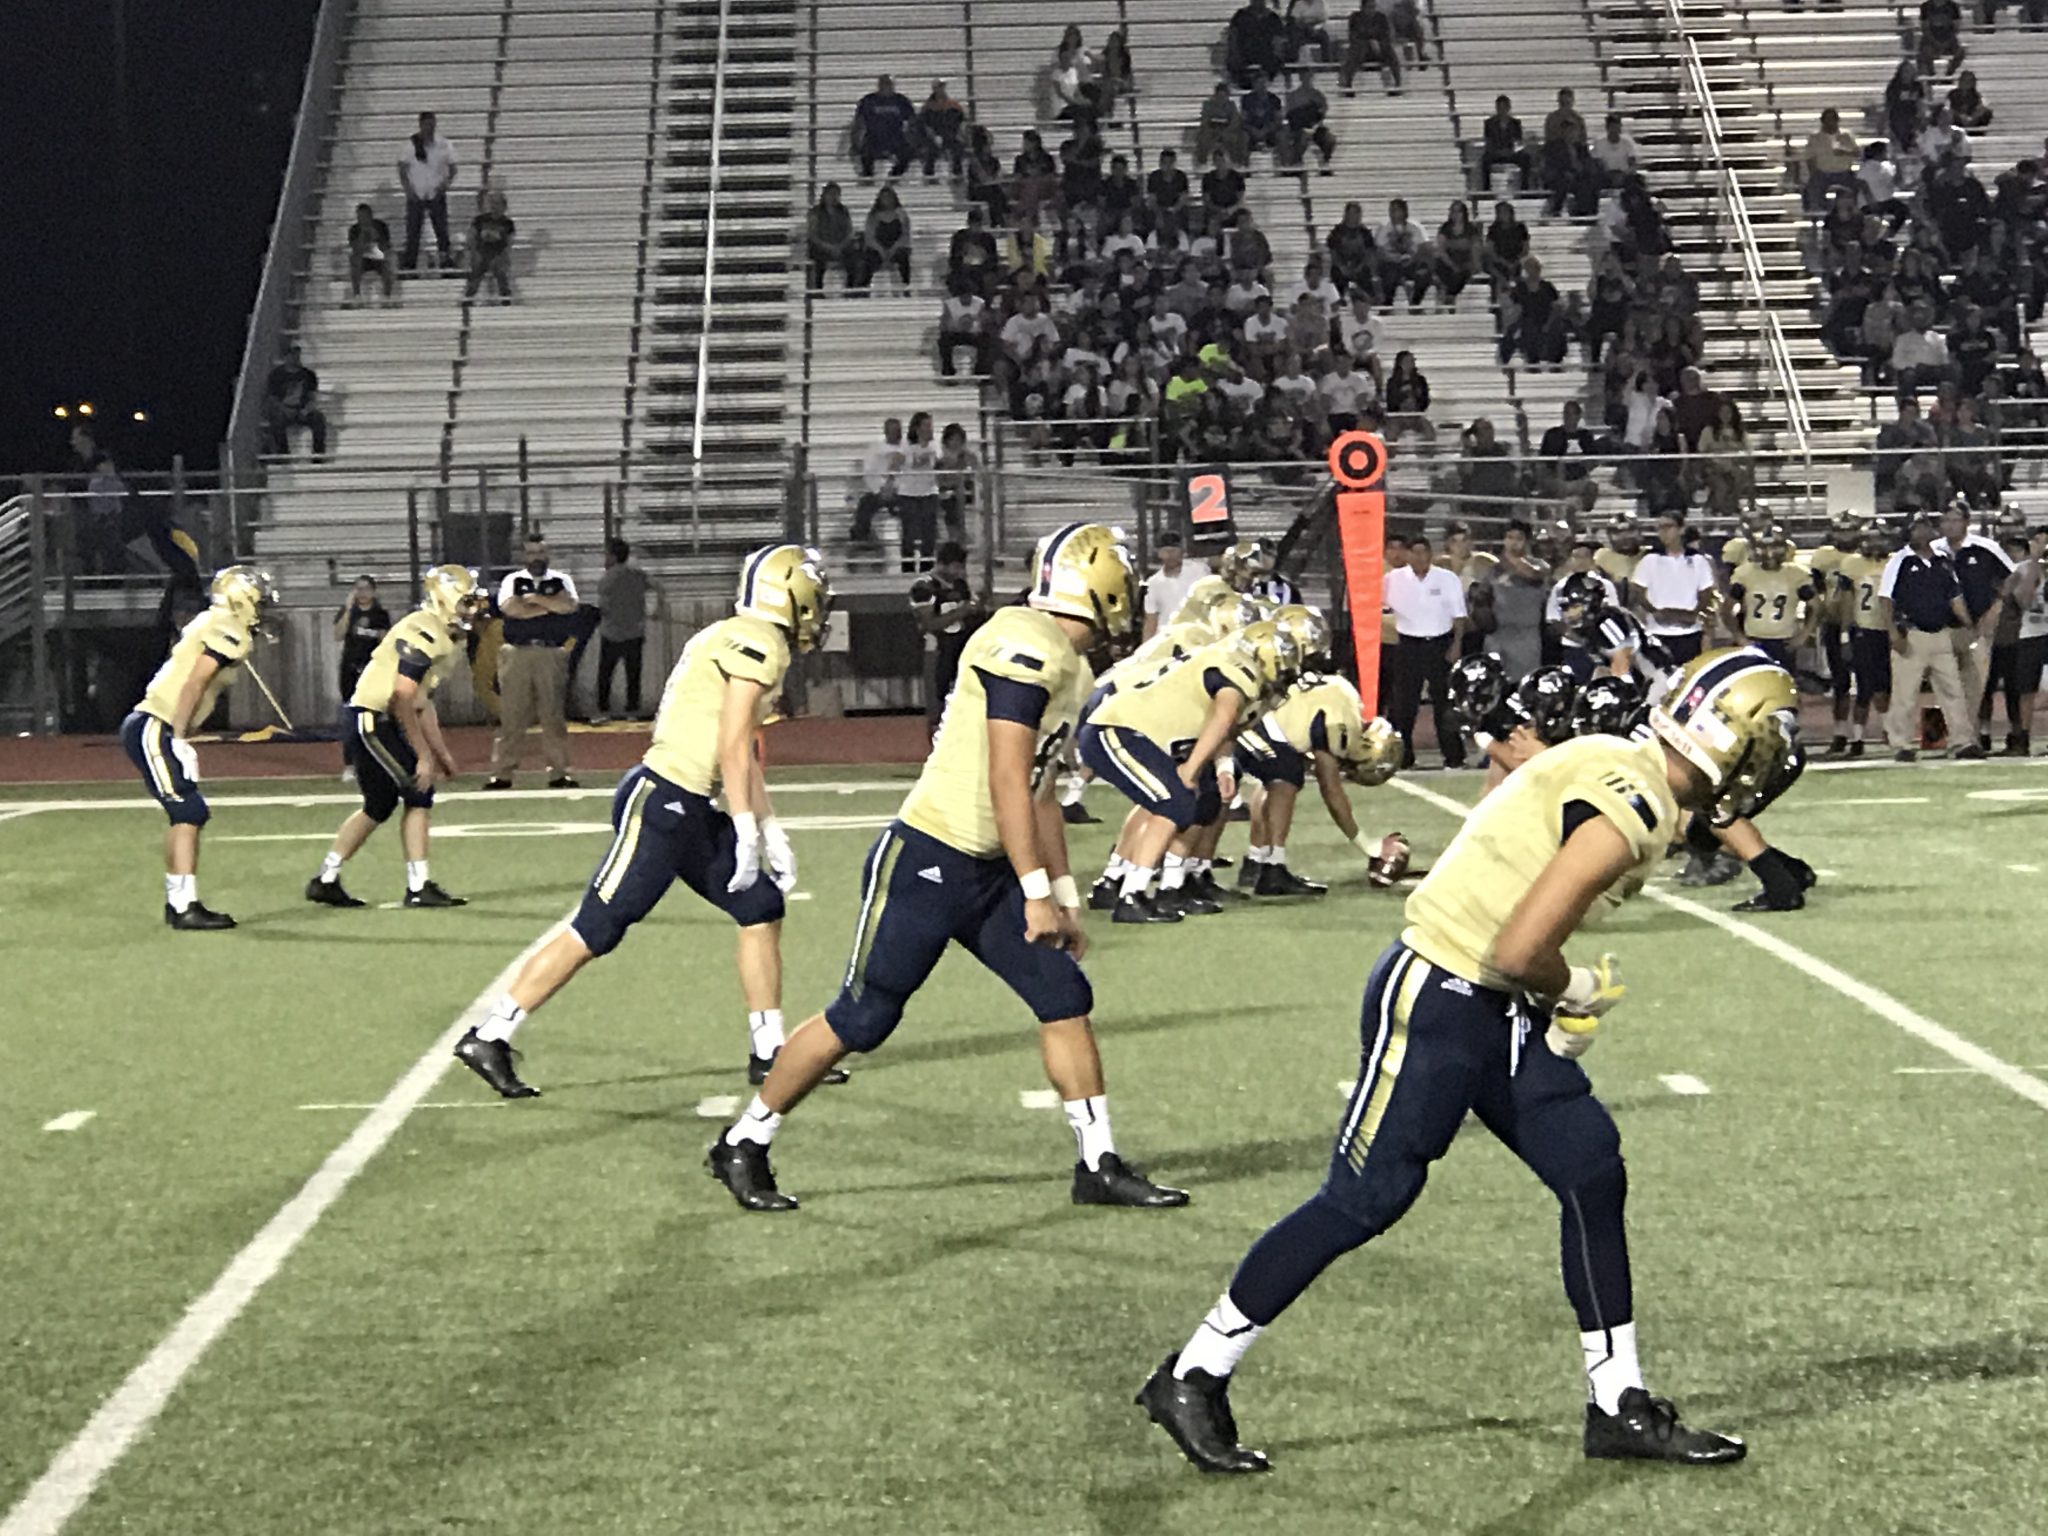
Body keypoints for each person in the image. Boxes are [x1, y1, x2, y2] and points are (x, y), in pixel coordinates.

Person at [1139, 647, 1787, 1475]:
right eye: (1767, 741)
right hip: (1444, 997)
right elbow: (1522, 948)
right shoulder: (1635, 800)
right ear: (1735, 743)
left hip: (1489, 1005)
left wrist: (1547, 990)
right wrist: (1575, 986)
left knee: (1590, 1166)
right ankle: (1193, 1373)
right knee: (1364, 1199)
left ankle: (1617, 1401)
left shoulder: (1619, 764)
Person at [706, 525, 1189, 1211]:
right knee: (864, 1017)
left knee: (1063, 996)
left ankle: (1098, 1163)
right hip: (930, 857)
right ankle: (744, 1142)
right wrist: (1032, 893)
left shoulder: (1070, 666)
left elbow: (1041, 790)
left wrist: (1062, 893)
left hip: (994, 868)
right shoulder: (1022, 640)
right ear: (1103, 585)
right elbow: (1004, 776)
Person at [453, 548, 840, 1101]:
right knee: (598, 927)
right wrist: (749, 830)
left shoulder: (737, 633)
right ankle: (491, 1034)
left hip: (690, 804)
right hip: (662, 802)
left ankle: (769, 1050)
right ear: (792, 595)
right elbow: (731, 744)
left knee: (760, 907)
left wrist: (768, 828)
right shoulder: (760, 643)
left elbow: (737, 750)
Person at [306, 566, 484, 911]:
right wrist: (423, 755)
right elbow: (401, 697)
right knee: (419, 791)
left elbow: (421, 701)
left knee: (379, 804)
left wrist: (441, 752)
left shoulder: (444, 634)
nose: (472, 609)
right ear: (445, 599)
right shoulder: (423, 628)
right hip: (372, 718)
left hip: (376, 718)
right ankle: (418, 886)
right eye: (466, 601)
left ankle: (325, 879)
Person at [119, 566, 276, 930]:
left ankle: (179, 902)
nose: (264, 605)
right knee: (190, 811)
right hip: (155, 725)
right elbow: (194, 682)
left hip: (152, 724)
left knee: (185, 813)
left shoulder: (211, 620)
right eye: (260, 598)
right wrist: (177, 736)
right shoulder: (229, 629)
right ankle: (184, 906)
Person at [1235, 672, 1403, 895]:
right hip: (1262, 728)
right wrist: (1367, 845)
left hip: (1253, 718)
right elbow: (1331, 791)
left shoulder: (1344, 692)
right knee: (1285, 778)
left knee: (1272, 778)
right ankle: (1273, 869)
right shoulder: (1342, 725)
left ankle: (1256, 861)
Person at [1878, 513, 1985, 759]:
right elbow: (1886, 599)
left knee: (1953, 691)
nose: (1921, 532)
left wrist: (1968, 622)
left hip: (1941, 633)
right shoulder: (1900, 560)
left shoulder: (1943, 560)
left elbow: (1954, 595)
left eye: (1924, 527)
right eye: (1916, 528)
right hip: (1912, 634)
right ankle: (1901, 744)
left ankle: (1962, 741)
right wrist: (1893, 632)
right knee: (1905, 693)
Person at [485, 533, 580, 790]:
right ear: (523, 556)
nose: (536, 557)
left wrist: (535, 601)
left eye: (540, 552)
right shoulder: (512, 580)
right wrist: (549, 606)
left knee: (553, 715)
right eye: (531, 553)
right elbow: (510, 609)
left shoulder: (562, 580)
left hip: (551, 652)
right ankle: (502, 773)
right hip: (517, 653)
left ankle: (559, 772)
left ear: (548, 554)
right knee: (512, 715)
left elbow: (568, 606)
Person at [1381, 536, 1468, 768]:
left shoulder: (1447, 578)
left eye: (1424, 552)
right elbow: (1375, 606)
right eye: (1415, 552)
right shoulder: (1392, 579)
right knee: (1404, 705)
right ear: (1408, 555)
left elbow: (1459, 616)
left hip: (1440, 644)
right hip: (1408, 646)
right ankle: (1403, 756)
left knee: (1445, 703)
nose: (1419, 557)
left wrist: (1456, 645)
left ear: (1431, 554)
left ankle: (1453, 756)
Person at [1933, 500, 2015, 738]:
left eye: (1955, 520)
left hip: (1977, 627)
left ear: (1967, 523)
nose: (1949, 525)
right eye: (1945, 520)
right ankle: (1949, 736)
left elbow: (2011, 577)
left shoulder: (1985, 547)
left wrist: (1996, 607)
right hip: (1942, 627)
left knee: (1976, 685)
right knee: (1946, 685)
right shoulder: (1933, 549)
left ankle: (1971, 736)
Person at [1830, 523, 1895, 758]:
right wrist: (1845, 635)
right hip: (1864, 630)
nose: (1876, 544)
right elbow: (1846, 602)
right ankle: (1857, 738)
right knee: (1864, 688)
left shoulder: (1895, 561)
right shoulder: (1851, 564)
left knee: (1886, 687)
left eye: (1880, 539)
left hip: (1888, 630)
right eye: (1872, 539)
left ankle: (1890, 732)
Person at [910, 541, 984, 737]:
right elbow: (929, 624)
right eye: (957, 566)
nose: (960, 571)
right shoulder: (924, 587)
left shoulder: (960, 585)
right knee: (938, 701)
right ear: (944, 564)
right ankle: (935, 745)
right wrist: (963, 610)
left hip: (961, 648)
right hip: (937, 649)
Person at [1629, 513, 1717, 664]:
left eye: (1668, 527)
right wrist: (1654, 612)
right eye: (1659, 528)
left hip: (1690, 633)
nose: (1663, 532)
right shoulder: (1649, 560)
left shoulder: (1698, 560)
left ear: (1681, 529)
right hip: (1657, 633)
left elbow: (1706, 592)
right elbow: (1637, 591)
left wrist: (1694, 613)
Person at [1725, 527, 1816, 667]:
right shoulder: (1745, 573)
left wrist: (1803, 635)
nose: (1770, 553)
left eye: (1774, 548)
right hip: (1754, 639)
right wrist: (1740, 637)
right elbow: (1727, 608)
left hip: (1784, 640)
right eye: (1765, 548)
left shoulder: (1796, 574)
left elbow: (1815, 606)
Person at [333, 575, 390, 776]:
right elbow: (338, 635)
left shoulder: (380, 615)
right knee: (350, 718)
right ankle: (349, 764)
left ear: (373, 591)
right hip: (349, 671)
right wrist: (348, 609)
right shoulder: (349, 612)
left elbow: (384, 644)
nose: (362, 593)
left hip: (371, 671)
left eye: (365, 589)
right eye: (358, 589)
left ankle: (376, 761)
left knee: (375, 718)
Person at [595, 538, 650, 720]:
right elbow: (658, 588)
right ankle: (632, 711)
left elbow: (603, 605)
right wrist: (656, 609)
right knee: (633, 675)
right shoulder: (638, 575)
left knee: (605, 674)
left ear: (612, 556)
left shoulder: (607, 579)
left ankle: (603, 710)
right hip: (634, 632)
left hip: (612, 633)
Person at [398, 111, 458, 272]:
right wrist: (408, 190)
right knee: (413, 231)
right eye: (426, 125)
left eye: (432, 124)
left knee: (442, 230)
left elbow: (453, 168)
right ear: (420, 125)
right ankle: (410, 263)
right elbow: (402, 168)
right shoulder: (411, 144)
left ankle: (445, 260)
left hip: (435, 192)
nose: (429, 128)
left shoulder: (444, 144)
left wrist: (444, 185)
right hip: (416, 193)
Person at [895, 412, 943, 572]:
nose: (929, 429)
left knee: (929, 533)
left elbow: (938, 461)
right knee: (909, 533)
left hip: (929, 491)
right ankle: (907, 567)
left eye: (930, 426)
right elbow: (898, 462)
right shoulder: (905, 444)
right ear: (917, 427)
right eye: (926, 425)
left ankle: (926, 567)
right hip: (908, 493)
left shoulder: (934, 444)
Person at [1142, 532, 1212, 640]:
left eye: (1174, 551)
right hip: (1166, 639)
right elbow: (1151, 619)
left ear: (1182, 552)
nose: (1170, 555)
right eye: (1166, 551)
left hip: (1197, 636)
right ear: (1159, 553)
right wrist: (1144, 651)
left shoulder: (1199, 571)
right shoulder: (1154, 583)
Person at [263, 346, 328, 459]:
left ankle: (318, 456)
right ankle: (283, 455)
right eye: (291, 354)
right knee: (276, 421)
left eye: (297, 354)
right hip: (284, 409)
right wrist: (284, 409)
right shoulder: (276, 375)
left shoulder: (309, 375)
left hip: (302, 409)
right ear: (285, 357)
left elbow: (312, 397)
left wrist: (306, 410)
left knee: (318, 419)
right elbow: (272, 398)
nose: (295, 358)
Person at [851, 416, 906, 544]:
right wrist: (880, 489)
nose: (894, 434)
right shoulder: (874, 449)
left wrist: (898, 488)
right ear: (885, 432)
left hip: (902, 491)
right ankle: (861, 537)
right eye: (891, 431)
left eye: (897, 431)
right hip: (880, 491)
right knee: (865, 505)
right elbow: (869, 472)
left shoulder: (908, 448)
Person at [852, 75, 916, 179]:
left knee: (907, 154)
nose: (886, 87)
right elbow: (859, 121)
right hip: (874, 137)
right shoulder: (869, 100)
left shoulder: (901, 101)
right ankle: (868, 177)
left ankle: (894, 176)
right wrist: (856, 141)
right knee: (866, 154)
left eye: (888, 84)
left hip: (895, 137)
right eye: (883, 84)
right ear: (879, 85)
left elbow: (912, 121)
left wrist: (911, 139)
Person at [1801, 109, 1860, 210]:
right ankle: (1817, 214)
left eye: (1833, 119)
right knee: (1812, 188)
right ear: (1822, 121)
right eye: (1827, 119)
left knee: (1856, 187)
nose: (1830, 122)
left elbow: (1858, 153)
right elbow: (1809, 158)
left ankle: (1852, 213)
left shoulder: (1847, 136)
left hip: (1844, 173)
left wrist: (1845, 152)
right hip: (1823, 173)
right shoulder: (1815, 137)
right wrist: (1813, 174)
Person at [464, 189, 515, 302]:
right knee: (476, 271)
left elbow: (509, 242)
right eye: (493, 203)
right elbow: (471, 236)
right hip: (481, 252)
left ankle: (505, 299)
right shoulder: (480, 220)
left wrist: (505, 256)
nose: (494, 206)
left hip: (498, 253)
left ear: (504, 206)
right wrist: (473, 253)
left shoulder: (507, 223)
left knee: (500, 270)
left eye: (498, 203)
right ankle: (467, 300)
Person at [806, 182, 858, 291]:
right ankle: (817, 291)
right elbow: (813, 235)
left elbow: (849, 231)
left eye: (836, 194)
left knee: (856, 259)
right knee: (817, 260)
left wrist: (841, 246)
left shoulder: (843, 211)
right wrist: (828, 247)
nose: (833, 197)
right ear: (824, 195)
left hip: (841, 246)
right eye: (830, 194)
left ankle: (852, 289)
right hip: (822, 247)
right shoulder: (815, 212)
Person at [861, 185, 912, 290]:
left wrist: (893, 249)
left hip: (896, 247)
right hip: (878, 248)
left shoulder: (901, 214)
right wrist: (881, 251)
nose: (887, 200)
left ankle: (906, 287)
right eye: (884, 197)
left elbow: (905, 235)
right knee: (867, 259)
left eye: (889, 197)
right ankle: (864, 289)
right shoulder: (873, 216)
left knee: (904, 257)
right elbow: (870, 237)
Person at [1478, 95, 1531, 193]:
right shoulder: (1489, 123)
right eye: (1499, 107)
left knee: (1525, 158)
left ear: (1508, 108)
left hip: (1511, 153)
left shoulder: (1516, 123)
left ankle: (1525, 188)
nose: (1501, 110)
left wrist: (1511, 151)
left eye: (1504, 107)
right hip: (1496, 153)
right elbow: (1488, 141)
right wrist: (1497, 151)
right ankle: (1486, 189)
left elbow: (1518, 141)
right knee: (1485, 159)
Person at [346, 202, 395, 303]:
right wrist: (362, 238)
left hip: (379, 255)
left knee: (388, 264)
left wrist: (376, 236)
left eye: (365, 216)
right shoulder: (354, 229)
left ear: (371, 215)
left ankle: (387, 296)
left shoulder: (381, 226)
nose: (363, 219)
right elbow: (354, 248)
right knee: (355, 263)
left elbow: (386, 246)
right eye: (360, 217)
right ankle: (357, 295)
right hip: (362, 257)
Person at [917, 79, 966, 177]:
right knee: (930, 150)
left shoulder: (953, 105)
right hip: (933, 137)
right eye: (938, 87)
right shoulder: (928, 107)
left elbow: (962, 121)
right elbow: (924, 124)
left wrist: (960, 134)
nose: (941, 89)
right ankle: (929, 175)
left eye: (942, 87)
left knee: (958, 148)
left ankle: (957, 174)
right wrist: (934, 136)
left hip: (951, 136)